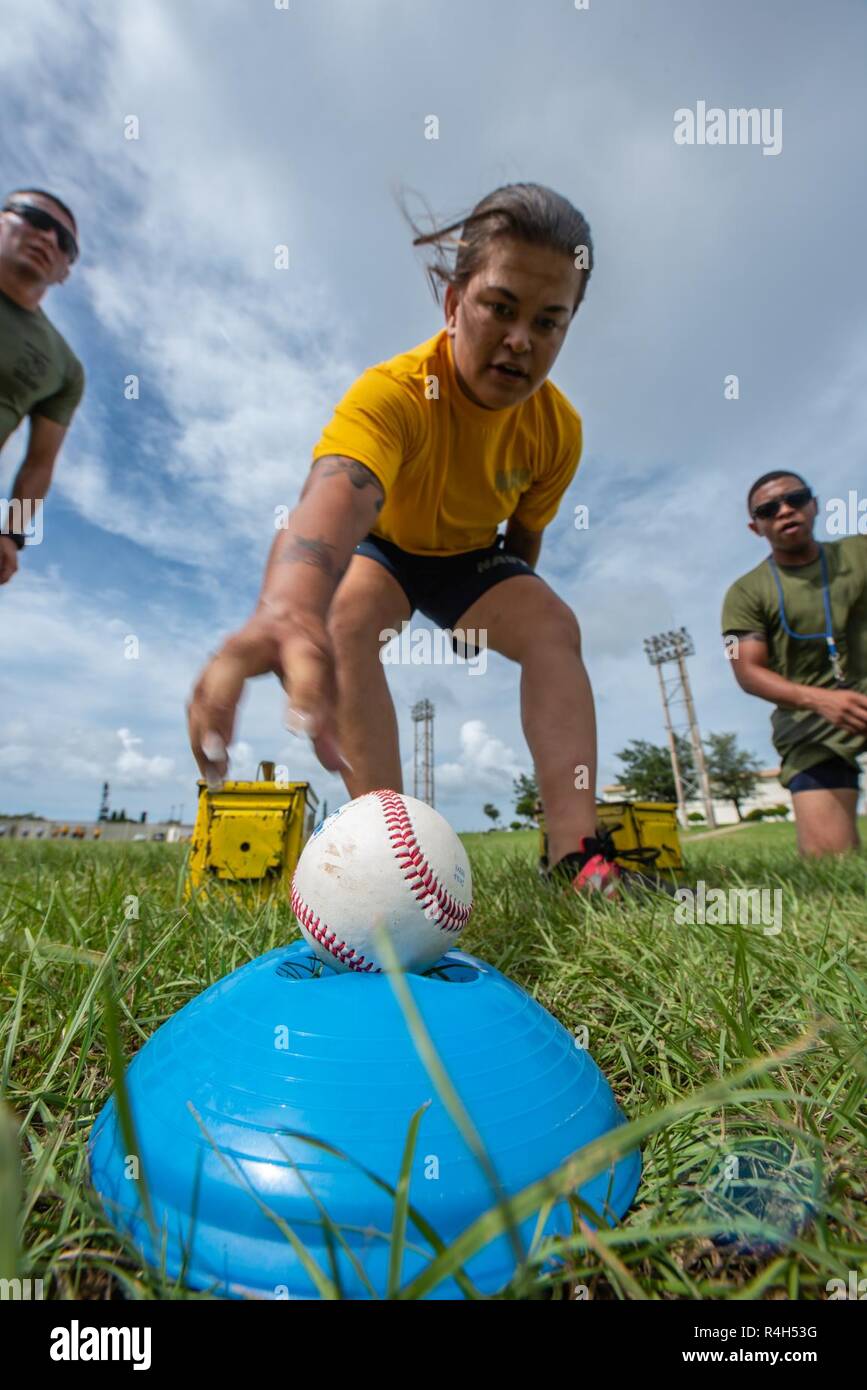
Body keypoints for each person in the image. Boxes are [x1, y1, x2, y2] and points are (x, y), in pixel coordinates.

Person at [188, 183, 628, 895]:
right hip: (386, 550)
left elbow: (524, 535)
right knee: (344, 615)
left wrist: (486, 614)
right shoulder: (394, 393)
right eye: (500, 307)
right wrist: (290, 604)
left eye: (549, 321)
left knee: (554, 625)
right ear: (454, 304)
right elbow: (336, 492)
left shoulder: (558, 431)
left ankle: (575, 855)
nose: (521, 340)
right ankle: (381, 854)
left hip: (466, 560)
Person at [721, 471, 867, 855]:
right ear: (756, 527)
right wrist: (821, 700)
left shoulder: (859, 551)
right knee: (830, 864)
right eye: (769, 509)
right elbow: (746, 671)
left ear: (813, 504)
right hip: (813, 724)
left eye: (795, 499)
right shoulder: (744, 593)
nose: (784, 510)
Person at [0, 188, 84, 585]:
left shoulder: (64, 367)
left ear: (65, 271)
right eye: (35, 219)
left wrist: (13, 534)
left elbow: (40, 462)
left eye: (64, 241)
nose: (49, 238)